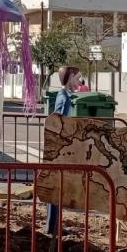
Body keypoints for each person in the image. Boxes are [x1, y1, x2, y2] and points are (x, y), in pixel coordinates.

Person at [45, 66, 82, 239]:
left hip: (59, 149)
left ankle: (53, 225)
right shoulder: (64, 97)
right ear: (71, 76)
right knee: (57, 189)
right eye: (78, 78)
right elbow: (58, 122)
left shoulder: (65, 96)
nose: (79, 82)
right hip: (59, 150)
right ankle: (53, 226)